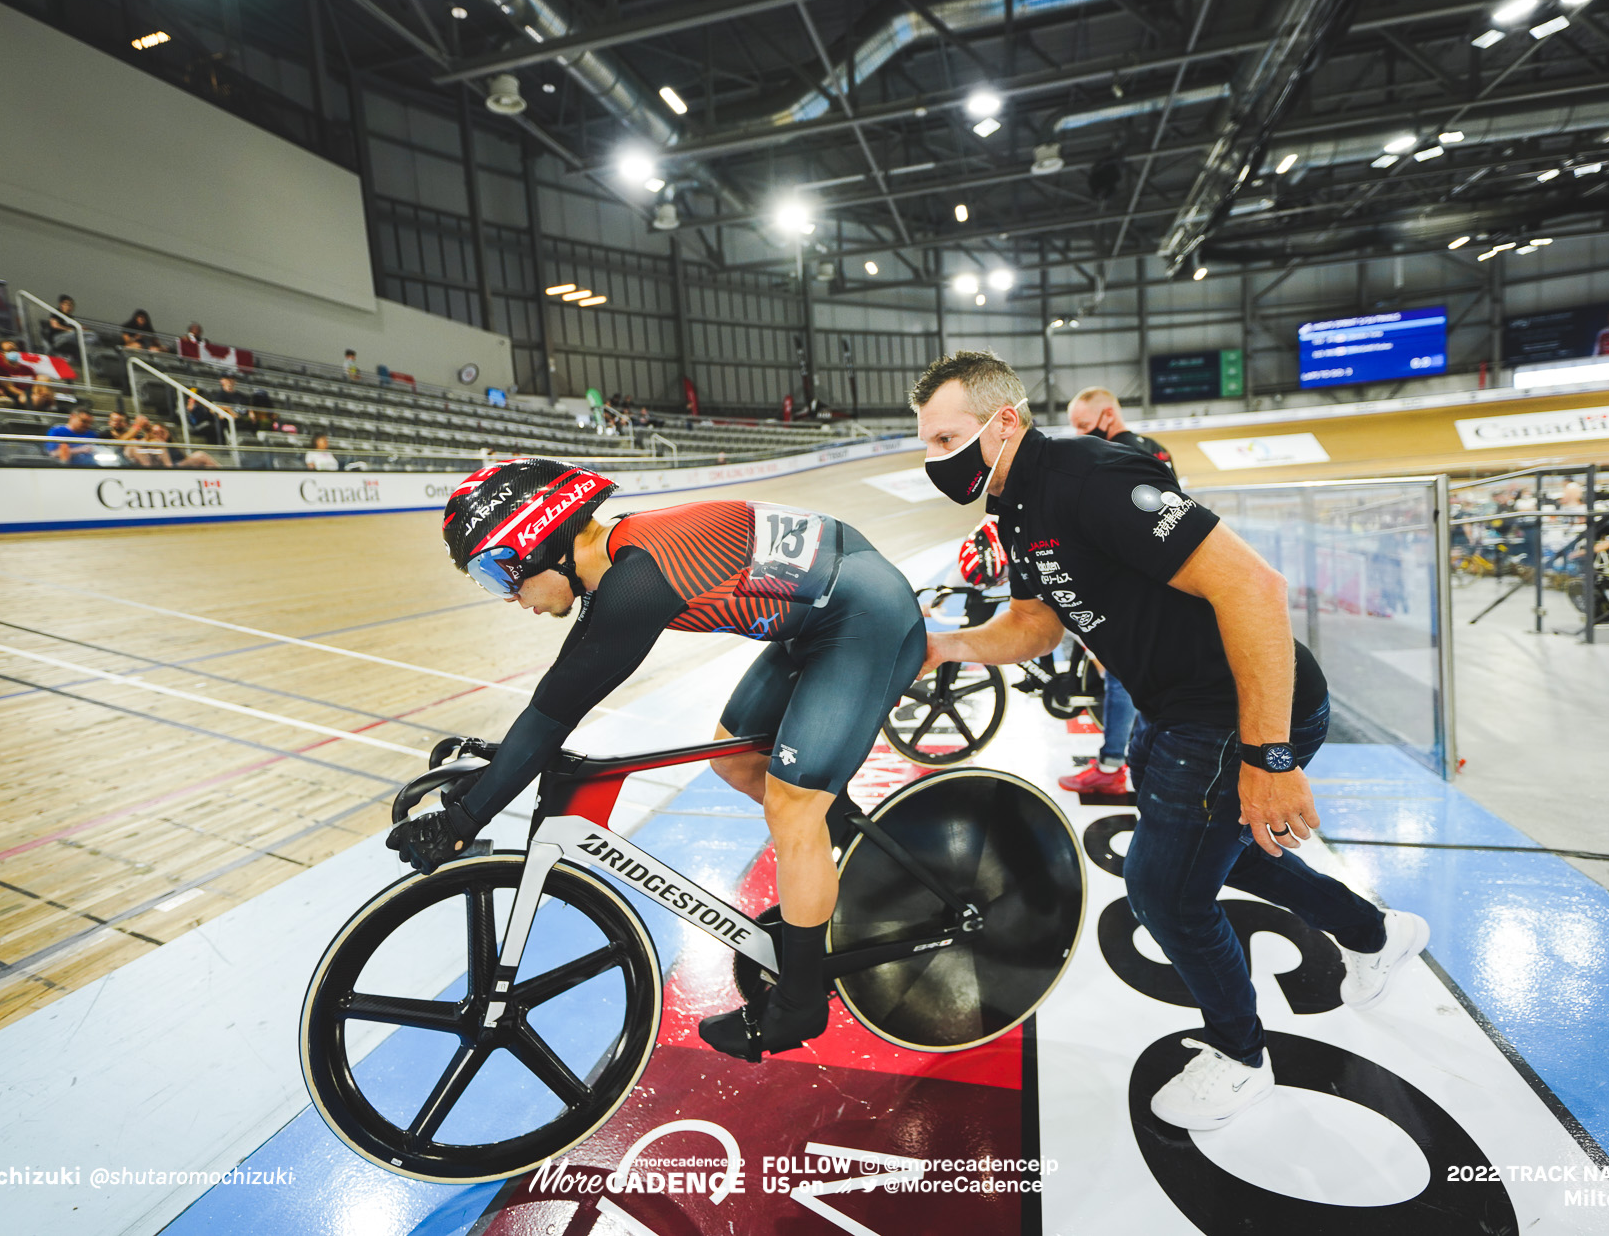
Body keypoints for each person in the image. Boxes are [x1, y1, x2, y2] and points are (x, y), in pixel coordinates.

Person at [910, 351, 1425, 1131]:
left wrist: (1270, 756)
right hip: (1179, 710)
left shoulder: (1091, 476)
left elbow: (1255, 587)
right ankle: (1375, 934)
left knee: (1166, 894)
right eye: (926, 443)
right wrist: (945, 645)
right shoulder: (1015, 506)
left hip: (1238, 709)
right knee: (1214, 851)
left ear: (1003, 421)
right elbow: (1036, 624)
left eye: (947, 437)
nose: (935, 458)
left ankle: (1241, 1055)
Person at [385, 459, 927, 1063]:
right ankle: (858, 870)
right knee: (737, 760)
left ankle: (800, 1003)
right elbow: (557, 694)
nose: (511, 599)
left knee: (792, 805)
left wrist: (462, 820)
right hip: (821, 609)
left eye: (500, 575)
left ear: (538, 543)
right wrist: (478, 795)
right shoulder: (617, 560)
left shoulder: (638, 579)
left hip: (861, 616)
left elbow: (556, 709)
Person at [1059, 386, 1176, 797]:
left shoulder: (1112, 457)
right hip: (1157, 587)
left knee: (1122, 678)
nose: (1080, 437)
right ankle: (1134, 760)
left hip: (1129, 591)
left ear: (1108, 415)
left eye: (1084, 426)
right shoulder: (1155, 449)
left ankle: (1112, 765)